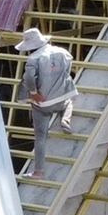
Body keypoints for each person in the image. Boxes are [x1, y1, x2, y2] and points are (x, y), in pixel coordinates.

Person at [12, 28, 75, 175]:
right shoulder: (62, 52)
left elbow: (29, 78)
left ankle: (38, 172)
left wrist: (34, 93)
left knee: (40, 136)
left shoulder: (33, 59)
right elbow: (68, 67)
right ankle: (65, 119)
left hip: (42, 103)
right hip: (61, 97)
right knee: (68, 102)